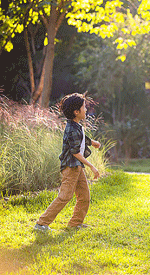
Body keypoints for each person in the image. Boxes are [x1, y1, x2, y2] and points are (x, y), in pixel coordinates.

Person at [34, 93, 101, 231]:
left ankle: (75, 223)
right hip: (71, 168)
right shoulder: (71, 129)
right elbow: (75, 152)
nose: (86, 109)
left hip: (76, 167)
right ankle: (41, 224)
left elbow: (81, 138)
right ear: (76, 112)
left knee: (84, 197)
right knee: (65, 196)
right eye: (84, 107)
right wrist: (92, 167)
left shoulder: (75, 126)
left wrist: (93, 142)